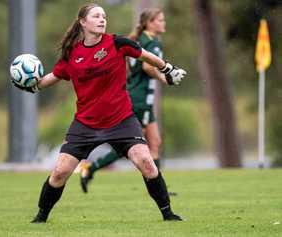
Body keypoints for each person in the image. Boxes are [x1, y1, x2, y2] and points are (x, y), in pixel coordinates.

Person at [12, 3, 186, 223]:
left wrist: (167, 68)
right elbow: (50, 78)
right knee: (59, 173)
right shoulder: (71, 54)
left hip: (121, 119)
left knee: (146, 161)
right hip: (85, 124)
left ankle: (168, 214)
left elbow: (146, 56)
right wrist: (30, 85)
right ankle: (41, 217)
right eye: (96, 16)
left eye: (104, 16)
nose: (102, 19)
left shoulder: (118, 43)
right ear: (83, 22)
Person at [79, 8, 172, 194]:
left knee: (155, 141)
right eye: (160, 20)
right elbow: (148, 66)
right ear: (150, 23)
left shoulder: (140, 39)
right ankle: (91, 167)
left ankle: (161, 188)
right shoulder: (153, 42)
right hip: (139, 98)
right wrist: (166, 77)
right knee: (130, 145)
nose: (163, 23)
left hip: (140, 96)